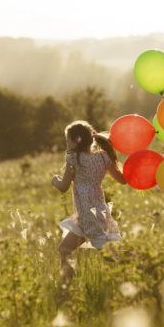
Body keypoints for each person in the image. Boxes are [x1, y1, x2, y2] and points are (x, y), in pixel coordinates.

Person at [51, 120, 126, 280]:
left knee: (111, 256)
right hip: (94, 211)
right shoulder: (103, 157)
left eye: (67, 140)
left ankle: (136, 267)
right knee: (65, 249)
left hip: (87, 213)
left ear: (74, 141)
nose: (67, 144)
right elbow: (122, 180)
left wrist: (55, 180)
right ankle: (66, 284)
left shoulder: (73, 159)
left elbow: (63, 187)